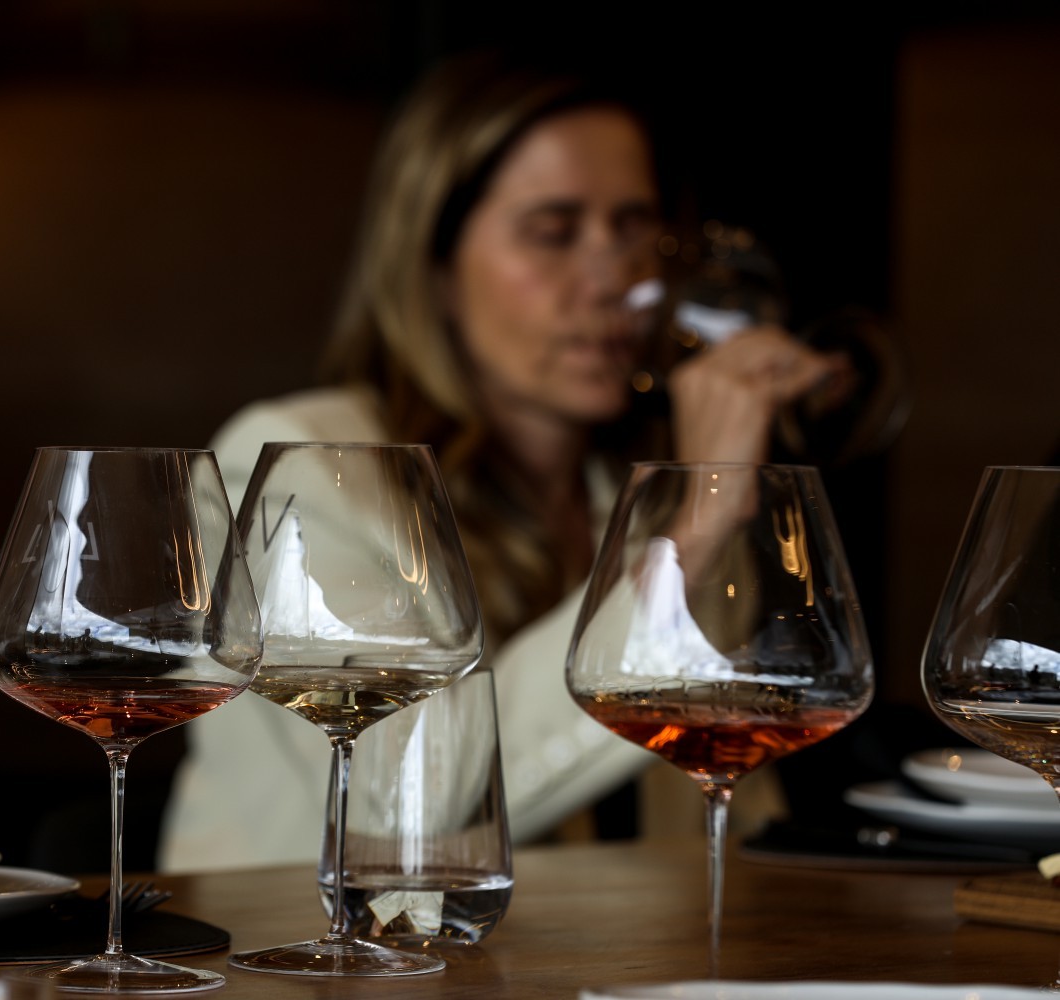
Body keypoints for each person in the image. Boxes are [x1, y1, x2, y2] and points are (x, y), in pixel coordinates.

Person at [158, 51, 847, 872]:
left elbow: (727, 803)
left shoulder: (629, 486)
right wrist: (694, 530)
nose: (613, 279)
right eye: (554, 232)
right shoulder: (300, 464)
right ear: (436, 267)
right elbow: (402, 795)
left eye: (634, 230)